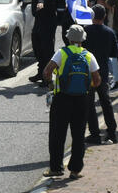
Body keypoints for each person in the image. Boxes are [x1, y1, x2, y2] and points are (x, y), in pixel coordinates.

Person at [42, 24, 101, 179]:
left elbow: (47, 72)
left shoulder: (61, 53)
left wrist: (51, 84)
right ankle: (75, 170)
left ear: (68, 38)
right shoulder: (89, 55)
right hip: (82, 99)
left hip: (62, 98)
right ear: (83, 40)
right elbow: (97, 79)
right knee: (79, 135)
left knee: (57, 134)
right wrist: (86, 87)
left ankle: (56, 168)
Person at [84, 5, 118, 144]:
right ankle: (111, 132)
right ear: (104, 16)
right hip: (102, 70)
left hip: (88, 72)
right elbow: (113, 53)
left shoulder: (86, 31)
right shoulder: (110, 32)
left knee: (90, 103)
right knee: (106, 102)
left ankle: (94, 133)